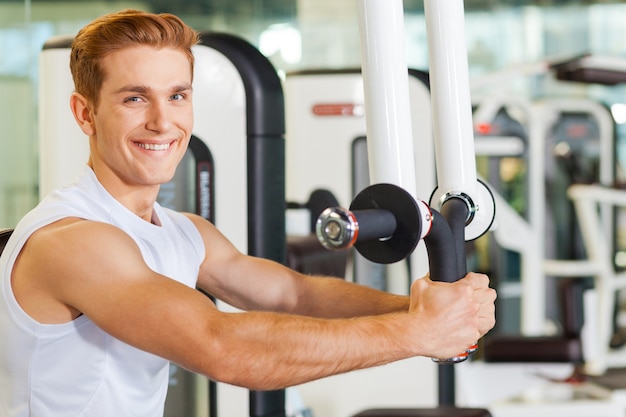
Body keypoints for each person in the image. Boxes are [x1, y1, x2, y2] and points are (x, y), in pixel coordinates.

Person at [0, 9, 496, 417]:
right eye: (134, 99)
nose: (162, 121)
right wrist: (417, 332)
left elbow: (292, 293)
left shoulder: (183, 232)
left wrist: (438, 312)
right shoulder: (72, 240)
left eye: (177, 96)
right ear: (85, 113)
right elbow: (222, 348)